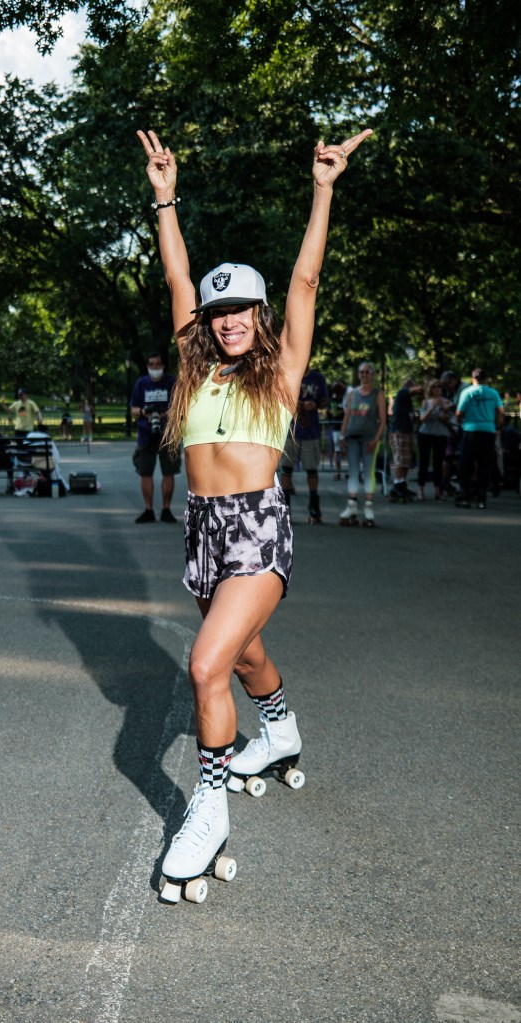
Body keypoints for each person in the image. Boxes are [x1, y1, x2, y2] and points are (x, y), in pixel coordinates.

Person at [137, 124, 372, 900]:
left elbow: (306, 280)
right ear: (206, 321)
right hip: (204, 531)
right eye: (218, 310)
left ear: (261, 314)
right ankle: (280, 726)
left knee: (205, 662)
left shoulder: (283, 372)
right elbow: (176, 275)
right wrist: (166, 198)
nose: (230, 318)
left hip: (258, 527)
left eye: (243, 308)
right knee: (241, 656)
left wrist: (324, 188)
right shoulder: (193, 370)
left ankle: (206, 809)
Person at [130, 352, 181, 523]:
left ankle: (166, 509)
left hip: (168, 434)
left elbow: (178, 405)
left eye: (158, 364)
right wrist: (145, 412)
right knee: (146, 473)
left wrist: (163, 414)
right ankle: (148, 510)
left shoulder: (171, 382)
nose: (155, 367)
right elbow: (134, 408)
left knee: (169, 472)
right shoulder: (142, 383)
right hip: (146, 435)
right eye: (151, 364)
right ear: (147, 366)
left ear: (163, 365)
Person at [338, 362, 387, 526]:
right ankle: (351, 506)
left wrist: (376, 439)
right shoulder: (352, 394)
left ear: (373, 374)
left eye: (368, 372)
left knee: (368, 471)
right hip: (352, 437)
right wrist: (342, 436)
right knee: (352, 471)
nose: (364, 375)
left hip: (369, 438)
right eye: (362, 372)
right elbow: (347, 417)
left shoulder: (378, 394)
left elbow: (383, 421)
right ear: (358, 375)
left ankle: (368, 507)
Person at [279, 362, 328, 522]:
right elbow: (278, 398)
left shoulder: (317, 378)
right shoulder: (289, 373)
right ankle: (286, 508)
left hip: (310, 430)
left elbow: (325, 401)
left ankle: (314, 506)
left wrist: (315, 404)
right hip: (290, 430)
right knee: (286, 468)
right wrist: (296, 404)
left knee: (311, 469)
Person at [455, 368, 504, 509]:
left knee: (467, 464)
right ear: (485, 379)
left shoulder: (467, 392)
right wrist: (498, 427)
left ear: (472, 378)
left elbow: (459, 413)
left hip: (471, 430)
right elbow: (500, 412)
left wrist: (461, 423)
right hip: (488, 431)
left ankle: (465, 495)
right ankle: (481, 497)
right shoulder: (493, 393)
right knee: (485, 464)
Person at [416, 379, 453, 500]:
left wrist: (443, 409)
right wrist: (431, 408)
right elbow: (422, 419)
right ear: (430, 389)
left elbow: (447, 420)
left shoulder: (447, 402)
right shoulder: (425, 402)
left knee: (438, 463)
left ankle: (438, 491)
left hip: (440, 435)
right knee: (424, 462)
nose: (437, 389)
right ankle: (420, 490)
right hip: (425, 434)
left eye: (439, 387)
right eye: (434, 387)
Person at [388, 376, 420, 501]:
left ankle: (402, 484)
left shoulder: (408, 402)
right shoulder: (402, 393)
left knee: (406, 460)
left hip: (406, 431)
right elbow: (415, 390)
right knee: (400, 459)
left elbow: (411, 416)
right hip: (398, 432)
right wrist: (421, 388)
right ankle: (397, 486)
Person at [328, 381, 348, 479]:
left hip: (348, 427)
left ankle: (350, 471)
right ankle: (338, 472)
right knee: (338, 450)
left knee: (348, 450)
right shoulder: (333, 400)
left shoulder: (347, 398)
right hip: (337, 428)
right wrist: (342, 412)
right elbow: (334, 413)